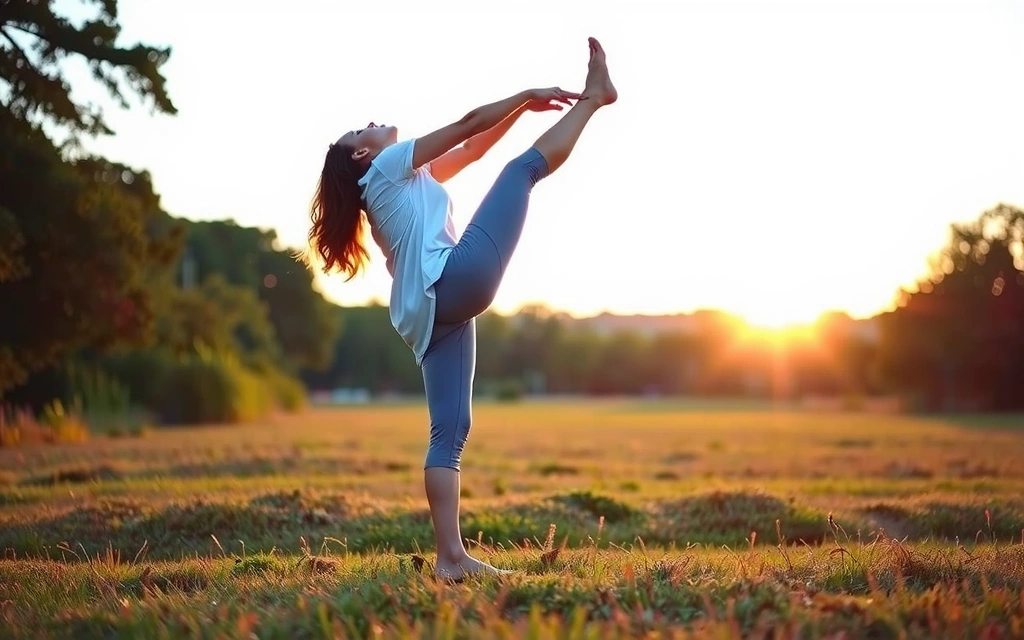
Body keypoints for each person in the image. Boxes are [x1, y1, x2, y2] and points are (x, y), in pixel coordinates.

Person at [305, 37, 617, 581]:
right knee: (523, 172)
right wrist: (524, 92)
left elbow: (471, 150)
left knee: (449, 430)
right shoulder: (385, 169)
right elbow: (468, 124)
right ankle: (595, 98)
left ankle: (451, 558)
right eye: (361, 129)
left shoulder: (401, 182)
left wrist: (522, 108)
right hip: (454, 282)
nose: (372, 123)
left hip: (432, 312)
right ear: (362, 154)